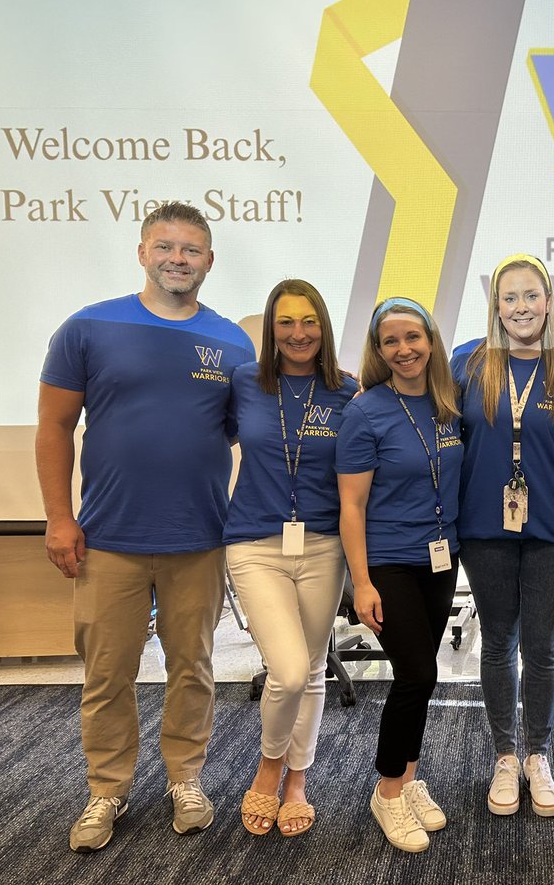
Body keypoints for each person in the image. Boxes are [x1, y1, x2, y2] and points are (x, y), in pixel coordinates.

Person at [36, 202, 256, 853]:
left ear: (209, 261)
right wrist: (57, 518)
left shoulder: (233, 343)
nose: (177, 259)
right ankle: (107, 789)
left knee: (195, 668)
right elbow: (53, 427)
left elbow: (257, 432)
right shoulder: (88, 328)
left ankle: (185, 779)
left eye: (191, 250)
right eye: (165, 247)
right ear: (142, 252)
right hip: (108, 539)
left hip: (199, 538)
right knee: (108, 674)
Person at [450, 254, 554, 818]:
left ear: (549, 301)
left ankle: (539, 754)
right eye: (510, 298)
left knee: (542, 647)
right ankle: (505, 754)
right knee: (498, 643)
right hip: (485, 528)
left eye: (532, 296)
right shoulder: (467, 364)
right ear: (496, 306)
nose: (521, 307)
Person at [224, 279, 358, 837]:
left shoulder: (348, 392)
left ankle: (297, 782)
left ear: (323, 327)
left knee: (313, 668)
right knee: (289, 668)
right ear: (270, 330)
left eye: (309, 321)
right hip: (255, 544)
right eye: (286, 322)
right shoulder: (242, 385)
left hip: (324, 544)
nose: (298, 333)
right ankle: (268, 766)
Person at [335, 297, 464, 853]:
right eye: (391, 341)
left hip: (440, 558)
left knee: (424, 674)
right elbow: (351, 506)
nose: (404, 349)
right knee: (415, 674)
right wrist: (361, 582)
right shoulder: (366, 412)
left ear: (431, 341)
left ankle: (409, 778)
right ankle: (388, 791)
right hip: (387, 561)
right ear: (379, 350)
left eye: (413, 337)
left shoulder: (448, 403)